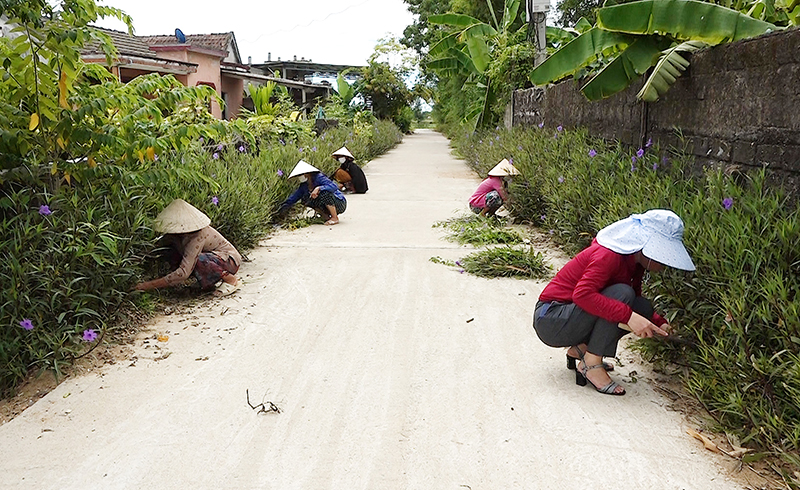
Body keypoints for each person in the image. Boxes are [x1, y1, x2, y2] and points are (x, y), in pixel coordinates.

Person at [533, 209, 695, 396]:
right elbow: (582, 295)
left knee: (641, 306)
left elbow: (633, 299)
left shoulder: (634, 262)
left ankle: (580, 350)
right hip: (551, 319)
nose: (666, 263)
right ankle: (591, 365)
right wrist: (629, 317)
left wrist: (659, 322)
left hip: (569, 316)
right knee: (622, 294)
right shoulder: (609, 255)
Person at [134, 199, 243, 296]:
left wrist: (147, 286)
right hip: (212, 258)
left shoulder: (197, 236)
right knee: (170, 251)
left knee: (199, 260)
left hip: (228, 261)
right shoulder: (175, 236)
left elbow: (183, 273)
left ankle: (230, 279)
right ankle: (206, 282)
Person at [278, 160, 347, 225]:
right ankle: (325, 216)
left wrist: (319, 188)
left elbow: (334, 186)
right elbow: (293, 198)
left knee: (324, 193)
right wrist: (281, 208)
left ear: (307, 173)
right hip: (325, 206)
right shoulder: (304, 186)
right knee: (306, 199)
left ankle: (334, 217)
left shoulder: (319, 177)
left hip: (339, 202)